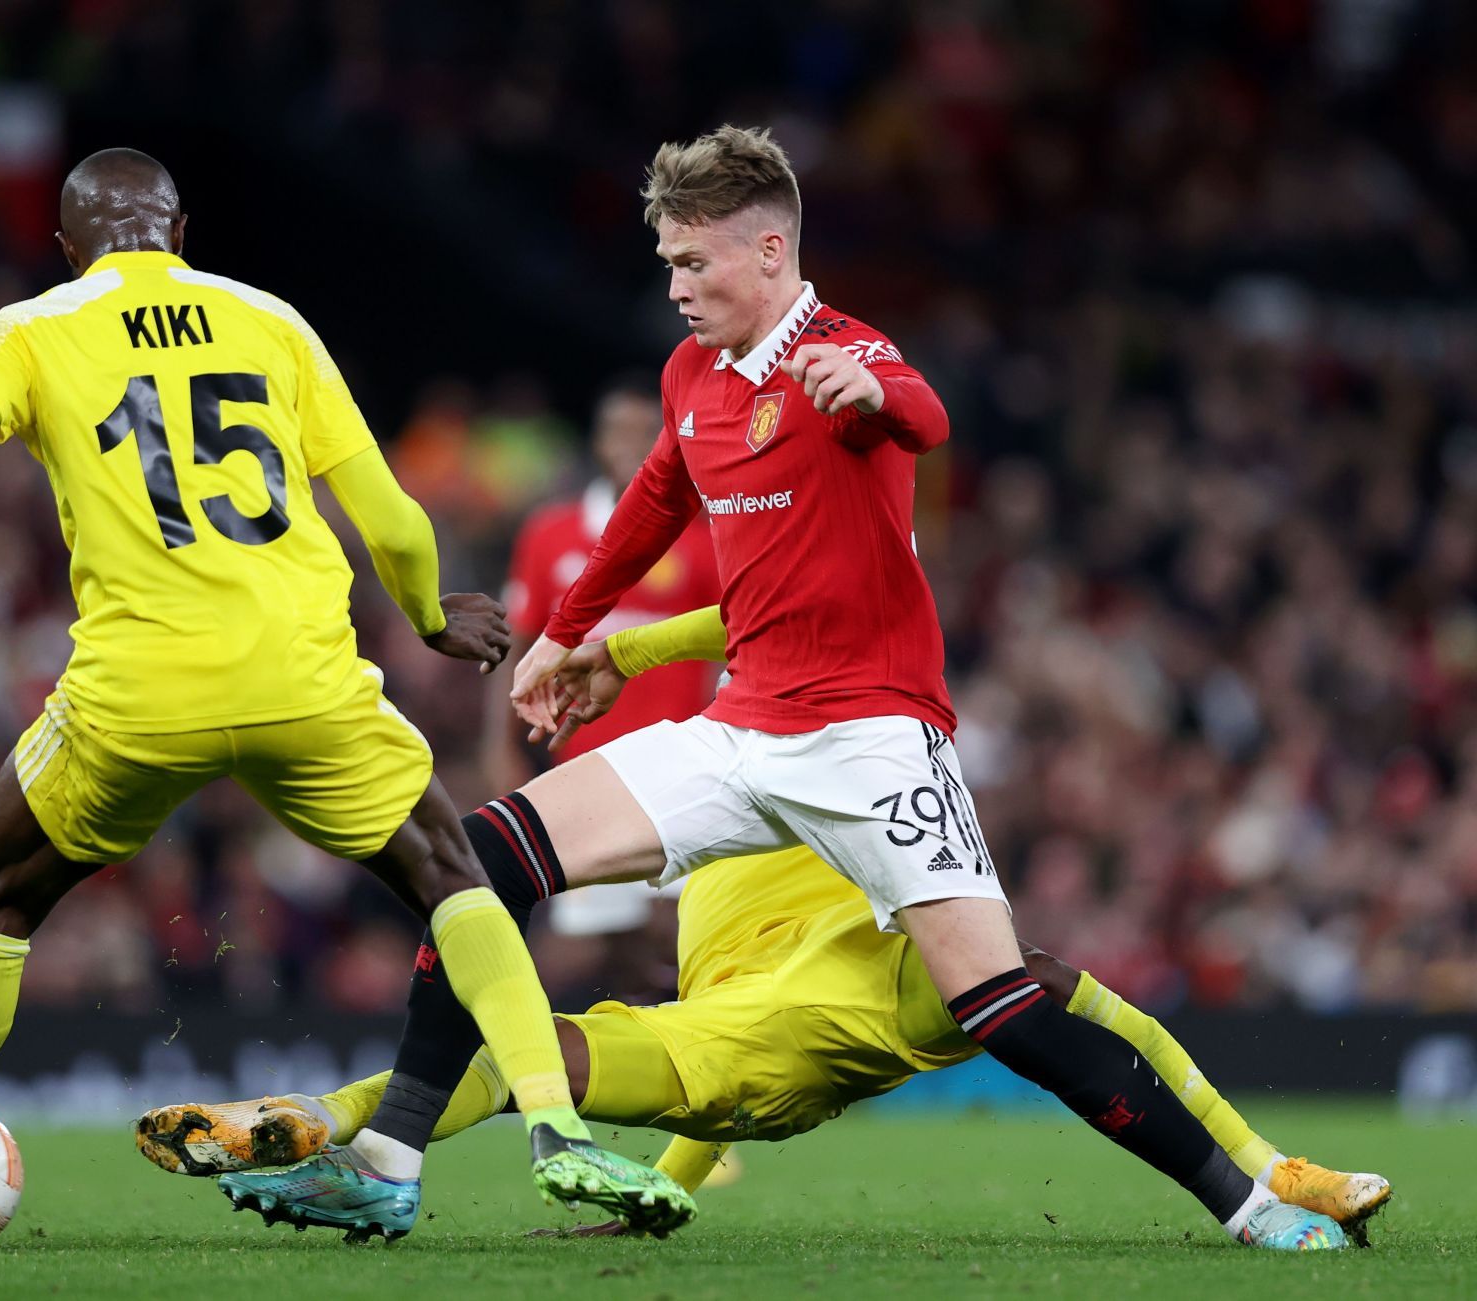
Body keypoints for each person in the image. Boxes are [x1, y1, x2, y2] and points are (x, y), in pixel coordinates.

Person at [198, 126, 1350, 1252]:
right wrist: (568, 632)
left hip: (874, 738)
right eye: (667, 265)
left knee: (996, 997)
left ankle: (1248, 1206)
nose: (677, 287)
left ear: (767, 252)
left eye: (693, 262)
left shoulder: (848, 351)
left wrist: (869, 389)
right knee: (481, 850)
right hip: (742, 727)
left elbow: (929, 417)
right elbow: (657, 497)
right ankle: (390, 1160)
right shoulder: (693, 373)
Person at [0, 147, 691, 1254]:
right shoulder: (273, 321)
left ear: (69, 248)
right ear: (180, 229)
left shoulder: (33, 328)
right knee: (450, 869)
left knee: (2, 889)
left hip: (141, 690)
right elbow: (391, 514)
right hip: (304, 676)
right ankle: (553, 1127)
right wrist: (430, 616)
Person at [148, 611, 1386, 1250]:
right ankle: (343, 1135)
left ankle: (327, 1125)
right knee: (490, 866)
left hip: (748, 1008)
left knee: (542, 1017)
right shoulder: (790, 806)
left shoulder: (900, 956)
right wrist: (620, 648)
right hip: (748, 923)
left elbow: (1064, 998)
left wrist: (1255, 1166)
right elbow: (750, 622)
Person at [482, 376, 720, 953]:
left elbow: (732, 638)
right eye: (619, 431)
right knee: (590, 948)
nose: (630, 446)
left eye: (647, 434)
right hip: (584, 771)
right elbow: (520, 645)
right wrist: (499, 745)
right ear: (597, 440)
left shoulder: (706, 536)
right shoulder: (550, 534)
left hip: (678, 768)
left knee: (676, 939)